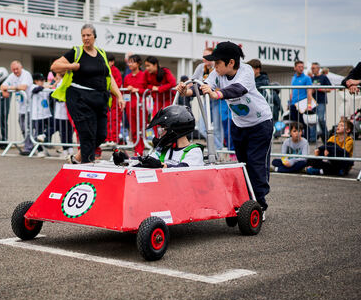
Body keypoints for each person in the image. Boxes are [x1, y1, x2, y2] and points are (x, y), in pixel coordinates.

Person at [179, 41, 273, 220]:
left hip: (260, 124)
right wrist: (187, 91)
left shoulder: (245, 72)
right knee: (242, 166)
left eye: (217, 63)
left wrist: (217, 94)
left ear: (231, 62)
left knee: (256, 165)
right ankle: (246, 203)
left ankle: (260, 205)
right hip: (239, 124)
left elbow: (238, 89)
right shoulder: (216, 73)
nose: (214, 66)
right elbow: (202, 86)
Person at [50, 24, 125, 164]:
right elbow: (55, 66)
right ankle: (87, 166)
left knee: (101, 135)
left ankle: (76, 159)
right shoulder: (76, 52)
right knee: (87, 135)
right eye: (83, 35)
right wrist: (71, 66)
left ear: (94, 36)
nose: (86, 38)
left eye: (88, 35)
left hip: (99, 100)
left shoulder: (102, 53)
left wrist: (119, 96)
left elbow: (109, 77)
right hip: (79, 98)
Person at [113, 105, 204, 168]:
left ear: (175, 129)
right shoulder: (163, 151)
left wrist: (161, 165)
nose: (160, 133)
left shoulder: (194, 151)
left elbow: (183, 170)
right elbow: (147, 161)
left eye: (163, 129)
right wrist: (126, 160)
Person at [188, 47, 223, 149]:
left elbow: (220, 84)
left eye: (207, 56)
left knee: (217, 128)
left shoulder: (217, 67)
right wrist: (185, 86)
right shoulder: (201, 67)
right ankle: (216, 148)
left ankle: (218, 150)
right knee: (202, 128)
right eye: (203, 56)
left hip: (217, 100)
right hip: (206, 101)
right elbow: (193, 79)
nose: (204, 59)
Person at [0, 61, 33, 155]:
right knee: (22, 126)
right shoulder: (12, 76)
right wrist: (4, 90)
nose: (15, 71)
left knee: (28, 127)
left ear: (21, 67)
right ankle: (29, 145)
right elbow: (2, 85)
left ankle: (29, 147)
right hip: (21, 107)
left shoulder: (26, 74)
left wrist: (9, 88)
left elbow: (23, 87)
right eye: (13, 69)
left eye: (17, 69)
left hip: (30, 107)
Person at [144, 55, 177, 129]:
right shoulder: (146, 73)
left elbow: (173, 83)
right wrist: (152, 87)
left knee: (166, 119)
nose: (147, 68)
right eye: (146, 66)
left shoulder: (165, 71)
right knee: (155, 119)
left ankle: (170, 139)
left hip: (169, 98)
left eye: (148, 66)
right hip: (158, 99)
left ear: (155, 64)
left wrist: (159, 88)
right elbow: (145, 85)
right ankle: (158, 139)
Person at [123, 54, 146, 156]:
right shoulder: (127, 77)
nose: (130, 64)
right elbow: (124, 92)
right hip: (129, 107)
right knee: (133, 129)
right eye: (129, 62)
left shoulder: (144, 75)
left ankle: (140, 150)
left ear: (138, 63)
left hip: (140, 106)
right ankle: (136, 150)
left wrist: (138, 90)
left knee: (141, 128)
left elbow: (147, 89)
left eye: (132, 62)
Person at [289, 60, 316, 142]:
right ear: (295, 68)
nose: (301, 68)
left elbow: (309, 91)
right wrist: (289, 103)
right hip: (294, 104)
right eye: (299, 67)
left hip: (302, 105)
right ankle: (296, 139)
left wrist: (309, 105)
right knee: (295, 123)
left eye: (302, 67)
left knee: (303, 124)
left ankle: (306, 140)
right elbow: (292, 91)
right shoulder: (293, 78)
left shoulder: (307, 78)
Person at [50, 73, 74, 157]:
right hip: (60, 112)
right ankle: (65, 149)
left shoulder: (65, 82)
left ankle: (69, 148)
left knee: (68, 131)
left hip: (68, 111)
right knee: (63, 132)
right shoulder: (59, 83)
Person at [29, 73, 53, 157]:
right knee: (38, 133)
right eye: (41, 80)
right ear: (35, 81)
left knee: (54, 126)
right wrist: (46, 87)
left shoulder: (45, 88)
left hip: (47, 114)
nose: (43, 81)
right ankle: (40, 151)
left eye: (43, 80)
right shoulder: (32, 86)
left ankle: (45, 135)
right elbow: (36, 90)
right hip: (37, 115)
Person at [103, 54, 123, 147]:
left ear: (112, 62)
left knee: (115, 120)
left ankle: (114, 139)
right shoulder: (104, 69)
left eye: (109, 61)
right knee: (106, 119)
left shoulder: (115, 71)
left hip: (114, 99)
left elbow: (117, 84)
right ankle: (107, 139)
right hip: (106, 99)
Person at [310, 62, 332, 141]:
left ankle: (326, 136)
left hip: (321, 101)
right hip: (312, 102)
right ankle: (313, 138)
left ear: (318, 69)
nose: (312, 69)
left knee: (321, 119)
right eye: (311, 68)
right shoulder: (311, 79)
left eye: (314, 68)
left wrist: (319, 89)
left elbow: (330, 89)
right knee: (312, 119)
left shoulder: (323, 77)